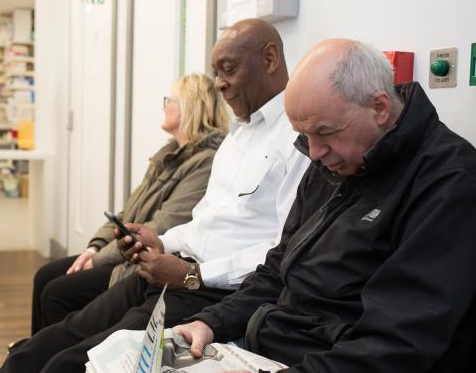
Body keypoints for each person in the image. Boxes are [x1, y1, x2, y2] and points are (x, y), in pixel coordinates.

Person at [0, 18, 310, 373]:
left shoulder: (296, 139)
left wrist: (194, 274)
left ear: (270, 59)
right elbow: (203, 221)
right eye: (216, 73)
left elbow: (280, 252)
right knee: (35, 350)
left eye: (229, 70)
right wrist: (159, 241)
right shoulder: (236, 137)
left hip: (214, 291)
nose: (220, 84)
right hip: (169, 273)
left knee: (68, 364)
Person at [173, 39, 476, 373]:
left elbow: (396, 344)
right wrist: (212, 321)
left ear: (379, 108)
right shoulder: (335, 160)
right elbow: (279, 266)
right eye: (304, 134)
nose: (314, 152)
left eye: (324, 132)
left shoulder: (448, 183)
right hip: (271, 346)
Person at [31, 74, 229, 335]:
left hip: (139, 261)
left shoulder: (204, 162)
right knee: (45, 275)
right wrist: (94, 248)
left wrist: (97, 260)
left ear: (190, 107)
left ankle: (50, 356)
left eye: (169, 100)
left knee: (57, 292)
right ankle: (35, 354)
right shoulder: (166, 156)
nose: (163, 105)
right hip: (123, 252)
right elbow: (125, 213)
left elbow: (160, 227)